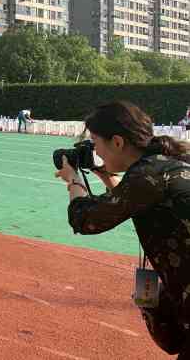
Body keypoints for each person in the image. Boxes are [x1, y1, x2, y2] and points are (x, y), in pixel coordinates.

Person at [55, 101, 190, 357]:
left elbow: (85, 219)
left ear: (117, 142)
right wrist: (104, 175)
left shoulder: (148, 174)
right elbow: (132, 199)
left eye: (95, 142)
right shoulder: (167, 165)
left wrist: (74, 179)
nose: (96, 151)